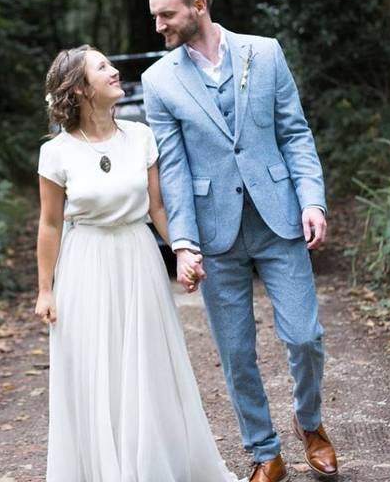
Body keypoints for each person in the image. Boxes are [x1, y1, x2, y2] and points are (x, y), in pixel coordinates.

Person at [142, 0, 339, 482]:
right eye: (155, 16)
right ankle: (264, 450)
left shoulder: (265, 52)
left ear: (199, 6)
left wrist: (312, 201)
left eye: (167, 14)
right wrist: (182, 244)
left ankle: (310, 422)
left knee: (304, 336)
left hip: (278, 219)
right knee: (235, 351)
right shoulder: (159, 80)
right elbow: (174, 169)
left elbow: (295, 133)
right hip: (213, 232)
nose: (159, 26)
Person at [34, 44, 243, 482]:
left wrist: (184, 251)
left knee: (147, 369)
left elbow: (158, 208)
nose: (114, 72)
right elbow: (51, 224)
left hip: (139, 260)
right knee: (97, 372)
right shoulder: (56, 152)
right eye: (102, 68)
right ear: (80, 89)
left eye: (110, 65)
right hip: (84, 265)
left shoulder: (142, 136)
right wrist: (46, 289)